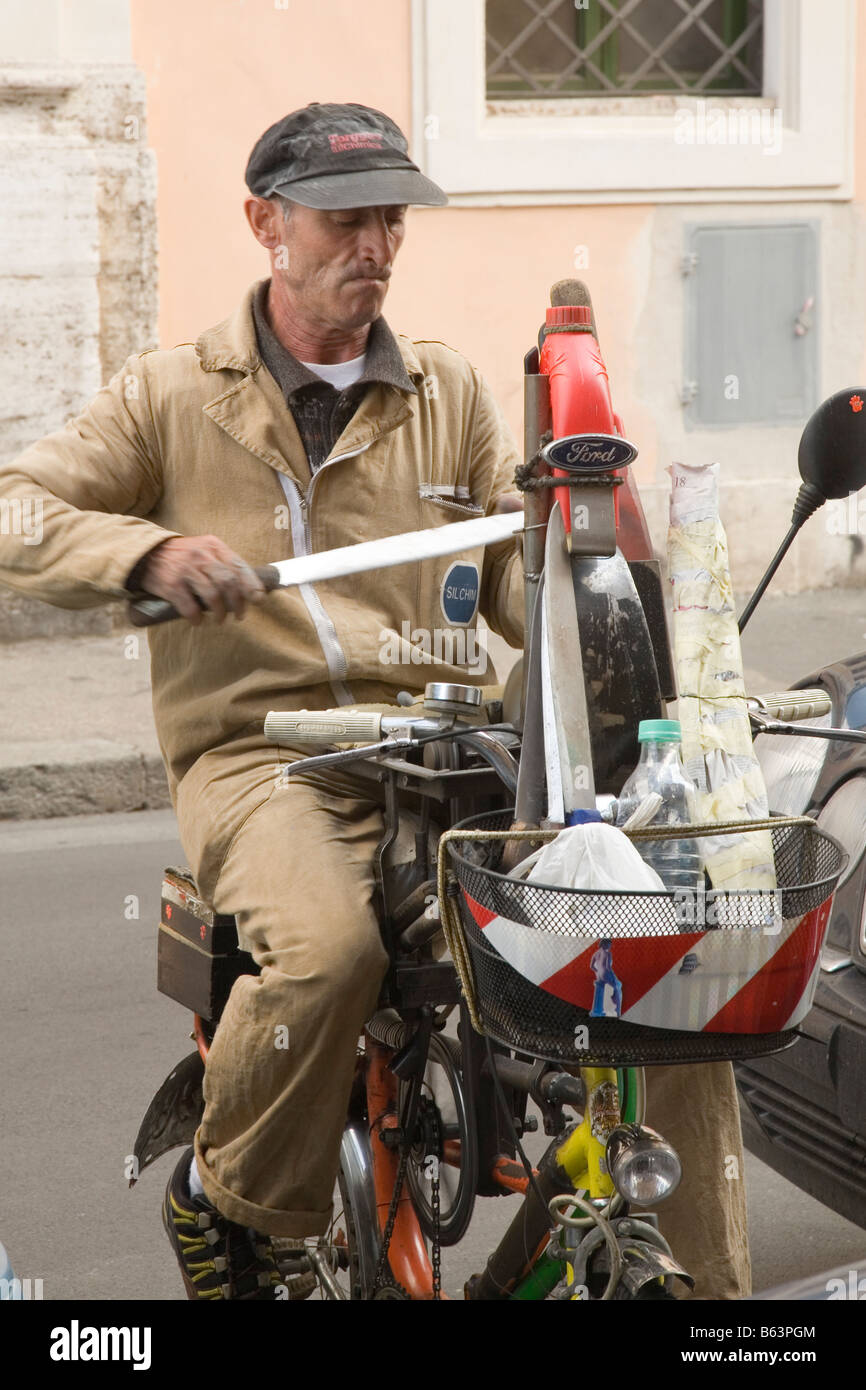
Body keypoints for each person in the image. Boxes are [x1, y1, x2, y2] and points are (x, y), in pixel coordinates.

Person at [0, 101, 749, 1301]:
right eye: (346, 219)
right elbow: (16, 511)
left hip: (446, 751)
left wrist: (604, 583)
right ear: (266, 224)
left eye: (389, 220)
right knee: (326, 949)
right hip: (265, 761)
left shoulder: (446, 391)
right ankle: (229, 1199)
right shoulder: (171, 394)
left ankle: (690, 1286)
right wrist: (143, 555)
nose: (376, 246)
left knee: (637, 940)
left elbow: (519, 581)